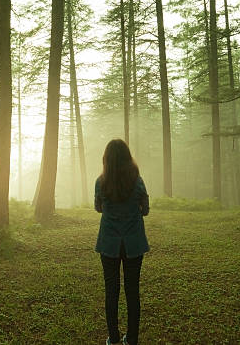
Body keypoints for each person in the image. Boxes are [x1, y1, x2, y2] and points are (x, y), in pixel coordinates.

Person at [95, 139, 150, 345]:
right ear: (128, 158)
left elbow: (98, 208)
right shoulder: (138, 181)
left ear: (106, 159)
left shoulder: (100, 182)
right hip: (134, 244)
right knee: (132, 291)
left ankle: (114, 337)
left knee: (111, 290)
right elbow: (145, 210)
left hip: (109, 244)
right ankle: (132, 339)